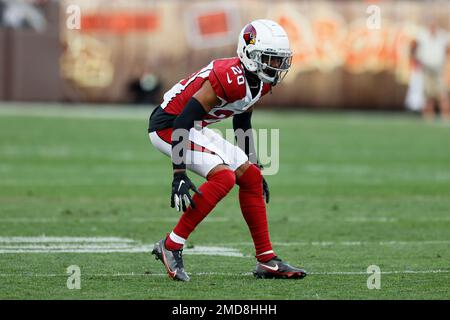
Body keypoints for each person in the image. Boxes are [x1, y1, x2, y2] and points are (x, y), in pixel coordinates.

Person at [147, 19, 307, 281]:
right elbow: (182, 121)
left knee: (251, 177)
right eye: (270, 59)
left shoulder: (261, 80)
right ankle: (171, 245)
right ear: (250, 55)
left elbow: (242, 120)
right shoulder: (229, 77)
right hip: (169, 127)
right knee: (223, 177)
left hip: (193, 125)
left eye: (279, 60)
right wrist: (178, 173)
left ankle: (266, 260)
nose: (276, 66)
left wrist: (252, 162)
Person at [411, 18, 450, 121]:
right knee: (428, 94)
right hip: (426, 68)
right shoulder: (422, 35)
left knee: (442, 93)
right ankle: (429, 117)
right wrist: (416, 59)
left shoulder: (443, 36)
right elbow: (414, 47)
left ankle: (446, 116)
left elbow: (448, 49)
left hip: (439, 69)